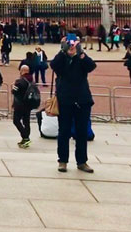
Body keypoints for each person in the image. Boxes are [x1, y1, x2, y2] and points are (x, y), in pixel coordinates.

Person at [51, 39, 97, 173]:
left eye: (74, 46)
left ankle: (82, 161)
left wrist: (81, 52)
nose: (72, 48)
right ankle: (63, 161)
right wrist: (62, 51)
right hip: (65, 100)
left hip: (82, 100)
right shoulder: (62, 60)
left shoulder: (81, 59)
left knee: (81, 133)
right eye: (69, 47)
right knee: (63, 132)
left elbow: (91, 66)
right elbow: (54, 65)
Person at [11, 65, 38, 148]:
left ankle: (25, 137)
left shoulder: (20, 81)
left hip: (19, 104)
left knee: (16, 121)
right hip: (28, 104)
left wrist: (13, 88)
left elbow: (14, 91)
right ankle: (26, 138)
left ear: (21, 71)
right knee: (26, 121)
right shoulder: (32, 81)